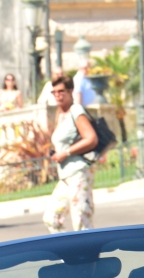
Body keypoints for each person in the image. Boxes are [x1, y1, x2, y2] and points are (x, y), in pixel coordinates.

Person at [44, 75, 98, 234]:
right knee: (52, 218)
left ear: (70, 91)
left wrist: (66, 153)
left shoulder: (76, 110)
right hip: (65, 176)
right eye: (54, 92)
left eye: (61, 91)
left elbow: (91, 138)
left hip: (79, 172)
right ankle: (68, 254)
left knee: (81, 222)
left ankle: (89, 257)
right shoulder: (61, 115)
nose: (58, 95)